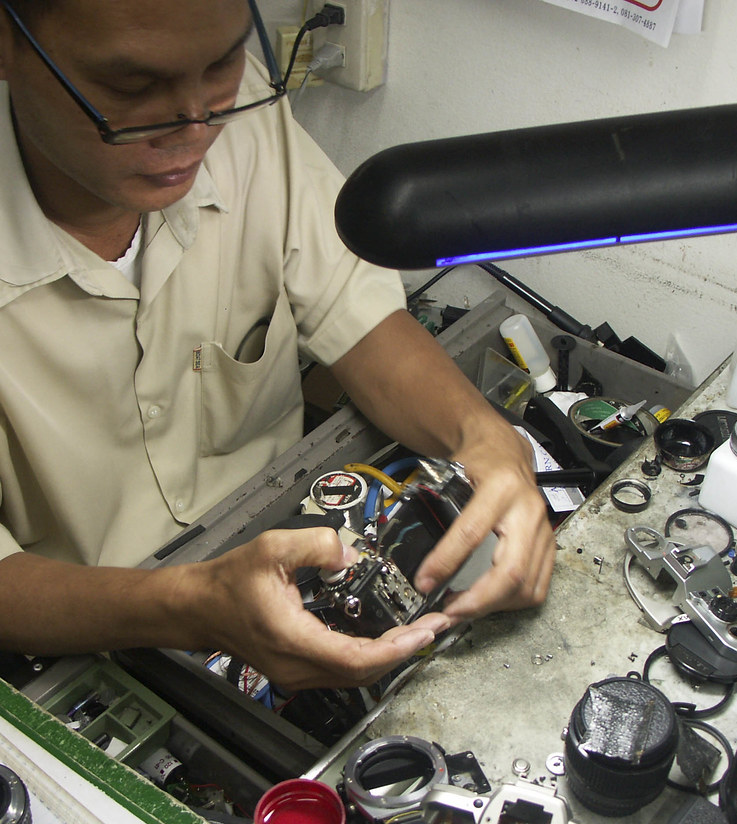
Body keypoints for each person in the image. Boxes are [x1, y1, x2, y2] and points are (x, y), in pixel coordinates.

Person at [0, 0, 555, 692]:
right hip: (83, 630)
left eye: (223, 63)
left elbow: (361, 319)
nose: (196, 127)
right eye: (133, 89)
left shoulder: (244, 124)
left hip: (293, 534)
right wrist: (192, 604)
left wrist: (489, 444)